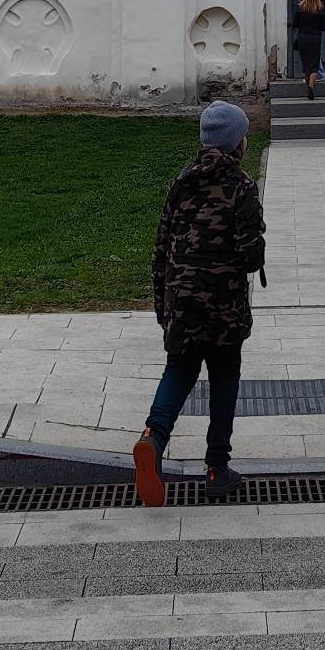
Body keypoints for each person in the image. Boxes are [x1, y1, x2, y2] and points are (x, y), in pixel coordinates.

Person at [134, 100, 265, 507]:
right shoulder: (241, 187)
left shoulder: (182, 181)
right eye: (244, 134)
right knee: (224, 380)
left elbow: (160, 246)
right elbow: (250, 256)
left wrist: (163, 304)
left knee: (179, 370)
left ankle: (153, 439)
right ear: (236, 144)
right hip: (223, 306)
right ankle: (216, 468)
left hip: (181, 302)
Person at [291, 0, 325, 99]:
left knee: (305, 63)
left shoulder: (300, 9)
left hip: (303, 38)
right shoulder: (320, 10)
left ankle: (308, 86)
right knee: (314, 64)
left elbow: (294, 24)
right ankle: (311, 87)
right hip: (315, 38)